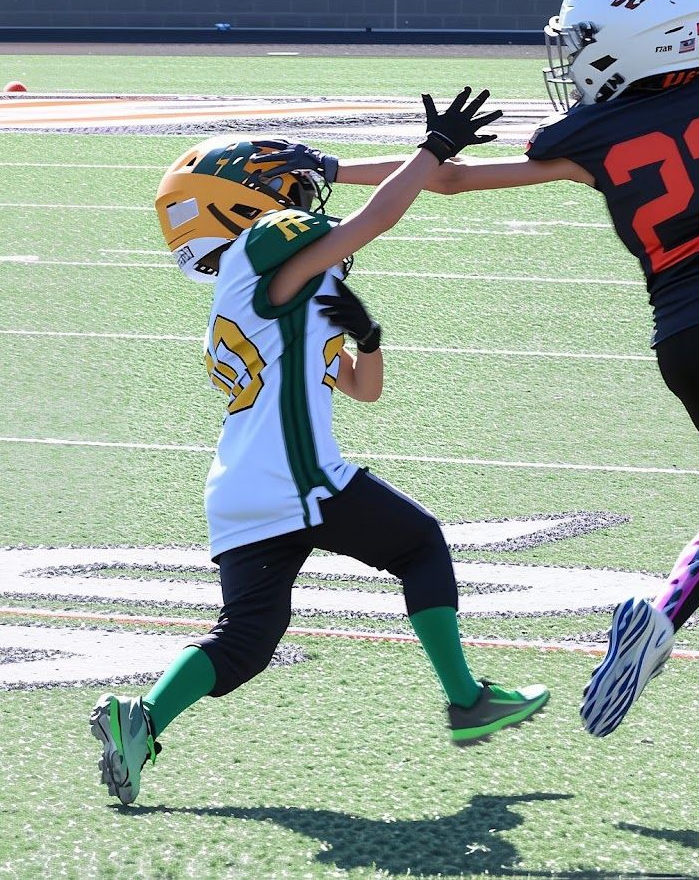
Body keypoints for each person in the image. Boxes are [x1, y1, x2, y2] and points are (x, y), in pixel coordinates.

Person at [285, 0, 699, 737]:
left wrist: (327, 165)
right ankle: (659, 618)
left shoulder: (592, 136)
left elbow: (454, 181)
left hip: (680, 339)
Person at [89, 88, 550, 807]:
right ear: (246, 204)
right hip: (294, 474)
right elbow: (376, 217)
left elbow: (363, 389)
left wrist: (369, 339)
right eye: (290, 191)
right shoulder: (263, 250)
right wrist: (430, 150)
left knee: (243, 643)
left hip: (239, 485)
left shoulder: (266, 293)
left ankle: (141, 719)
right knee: (419, 544)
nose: (306, 202)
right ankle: (466, 700)